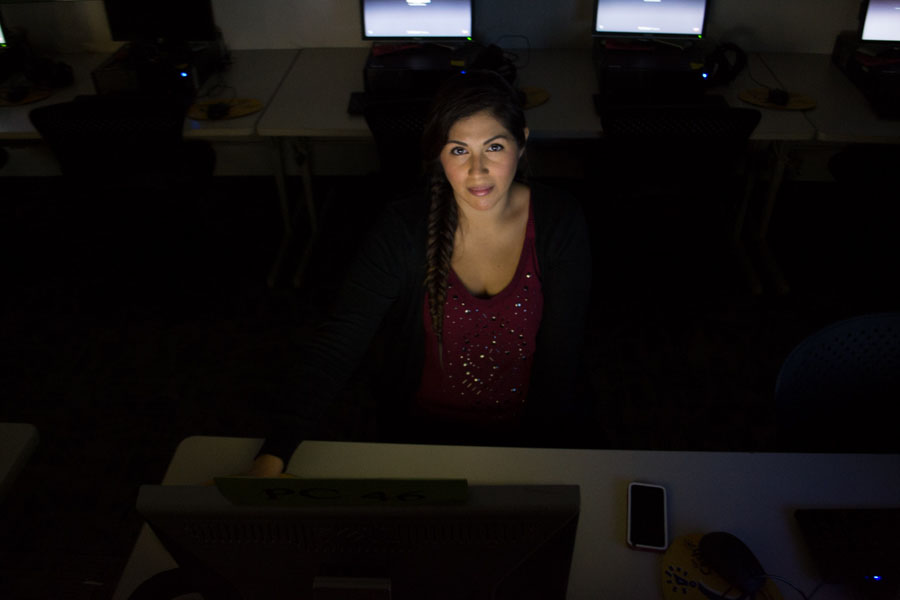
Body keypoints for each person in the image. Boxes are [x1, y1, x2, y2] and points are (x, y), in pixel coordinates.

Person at [248, 70, 592, 477]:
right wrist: (272, 455)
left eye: (494, 147)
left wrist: (538, 463)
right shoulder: (403, 229)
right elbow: (339, 344)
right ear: (439, 156)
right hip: (419, 442)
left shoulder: (558, 221)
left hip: (521, 442)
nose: (477, 171)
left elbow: (562, 363)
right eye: (459, 150)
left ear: (522, 144)